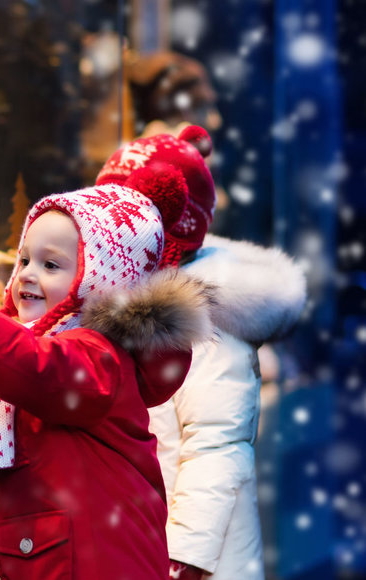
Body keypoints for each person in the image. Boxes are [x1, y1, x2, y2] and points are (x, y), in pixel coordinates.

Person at [0, 176, 213, 579]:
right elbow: (35, 429)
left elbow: (34, 368)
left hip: (94, 562)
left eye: (50, 265)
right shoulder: (59, 352)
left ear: (100, 281)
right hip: (57, 555)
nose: (27, 274)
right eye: (24, 259)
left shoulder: (96, 354)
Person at [95, 126, 307, 580]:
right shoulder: (125, 302)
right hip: (142, 537)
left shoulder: (204, 319)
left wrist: (184, 555)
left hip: (196, 557)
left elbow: (218, 445)